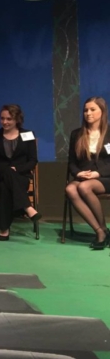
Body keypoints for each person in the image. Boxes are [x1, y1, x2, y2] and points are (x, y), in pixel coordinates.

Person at [0, 104, 41, 241]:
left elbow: (33, 161)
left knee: (5, 187)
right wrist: (6, 169)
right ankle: (27, 207)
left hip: (21, 178)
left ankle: (4, 228)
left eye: (9, 119)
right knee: (6, 175)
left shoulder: (27, 135)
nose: (5, 122)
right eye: (2, 118)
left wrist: (17, 169)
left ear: (17, 119)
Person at [65, 96, 110, 250]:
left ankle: (102, 230)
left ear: (102, 111)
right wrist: (79, 174)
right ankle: (100, 231)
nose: (88, 113)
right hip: (84, 176)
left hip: (106, 177)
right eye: (85, 110)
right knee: (70, 189)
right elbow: (71, 162)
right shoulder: (76, 134)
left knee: (84, 187)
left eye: (92, 109)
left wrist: (97, 174)